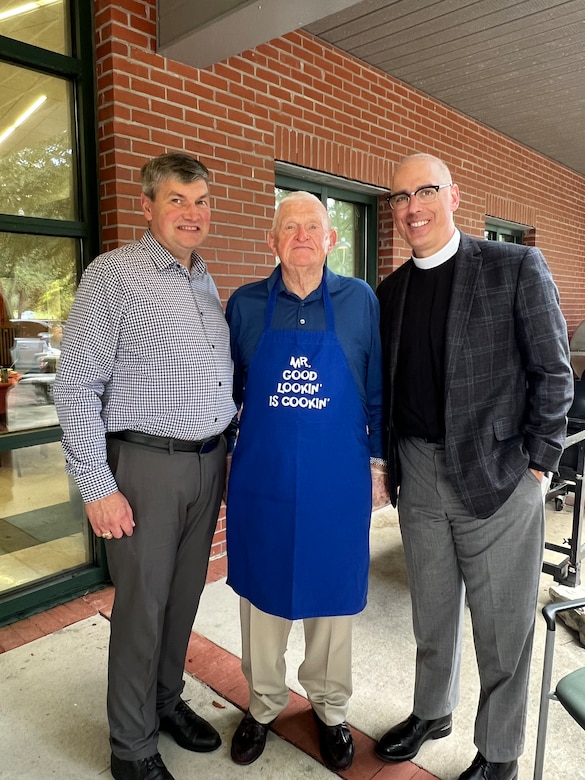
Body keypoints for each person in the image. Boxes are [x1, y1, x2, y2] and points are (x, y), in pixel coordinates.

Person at [375, 153, 573, 780]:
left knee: (502, 628)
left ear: (454, 195)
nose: (412, 207)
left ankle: (500, 752)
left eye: (425, 191)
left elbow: (554, 372)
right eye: (401, 197)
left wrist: (538, 464)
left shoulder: (513, 266)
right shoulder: (392, 291)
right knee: (431, 613)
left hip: (499, 474)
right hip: (418, 470)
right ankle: (432, 712)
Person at [54, 153, 236, 780]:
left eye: (202, 200)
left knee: (183, 599)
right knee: (142, 608)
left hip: (206, 464)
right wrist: (97, 487)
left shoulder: (203, 279)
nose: (194, 213)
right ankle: (131, 748)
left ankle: (163, 703)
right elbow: (75, 387)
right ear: (148, 206)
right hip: (145, 467)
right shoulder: (114, 277)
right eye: (178, 200)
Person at [225, 191, 389, 772]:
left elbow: (375, 391)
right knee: (263, 603)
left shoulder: (360, 301)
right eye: (287, 227)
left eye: (312, 226)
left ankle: (329, 708)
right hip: (263, 480)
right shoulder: (243, 305)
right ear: (271, 242)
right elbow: (230, 394)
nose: (300, 236)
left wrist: (377, 465)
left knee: (331, 601)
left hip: (336, 480)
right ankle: (263, 703)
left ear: (331, 239)